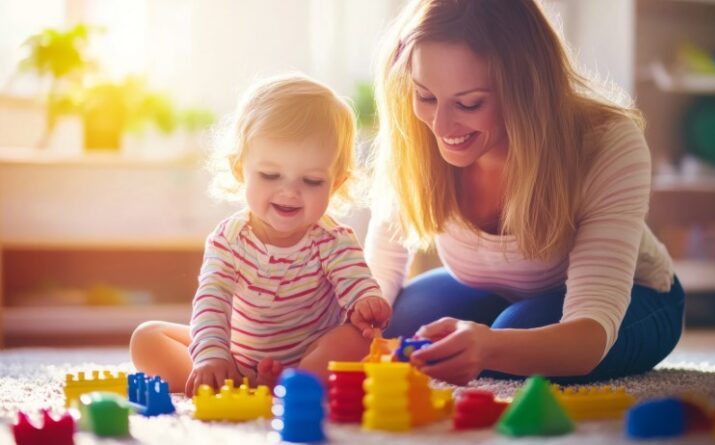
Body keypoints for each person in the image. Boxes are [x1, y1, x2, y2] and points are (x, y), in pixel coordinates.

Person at [364, 0, 684, 386]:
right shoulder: (415, 138)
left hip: (634, 299)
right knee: (399, 326)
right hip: (503, 294)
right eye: (426, 96)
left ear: (526, 89)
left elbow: (590, 332)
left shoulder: (606, 142)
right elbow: (377, 277)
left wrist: (490, 347)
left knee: (515, 333)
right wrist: (347, 332)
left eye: (469, 103)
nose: (441, 126)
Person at [130, 74, 392, 395]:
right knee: (147, 338)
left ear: (336, 183)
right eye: (270, 175)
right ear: (240, 169)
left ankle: (292, 382)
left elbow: (356, 282)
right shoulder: (229, 240)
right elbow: (212, 301)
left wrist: (367, 302)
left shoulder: (333, 239)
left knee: (358, 341)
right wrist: (212, 355)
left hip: (310, 355)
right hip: (237, 356)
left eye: (312, 181)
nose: (290, 192)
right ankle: (228, 378)